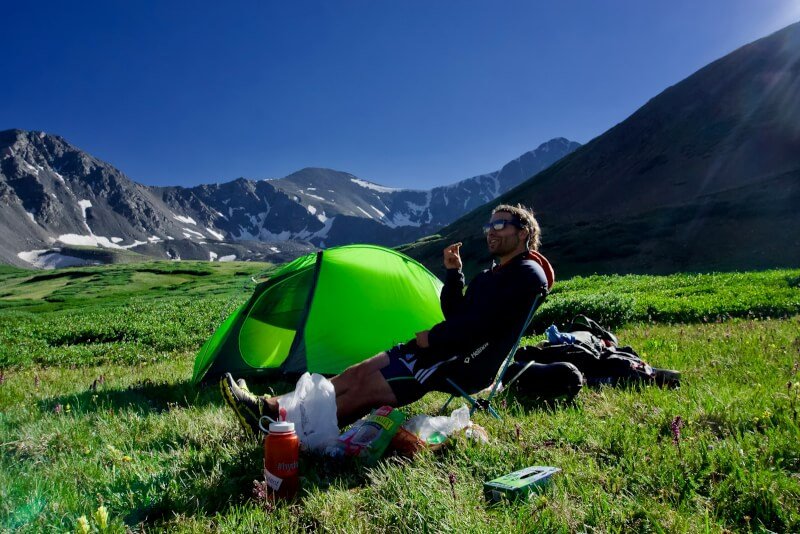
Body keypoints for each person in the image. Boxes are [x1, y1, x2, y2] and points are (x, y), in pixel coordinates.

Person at [221, 203, 553, 437]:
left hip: (459, 361)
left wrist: (433, 340)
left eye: (499, 225)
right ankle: (271, 409)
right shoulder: (496, 274)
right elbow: (458, 313)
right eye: (488, 226)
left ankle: (288, 432)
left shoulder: (526, 274)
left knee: (364, 390)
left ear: (523, 232)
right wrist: (454, 274)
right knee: (356, 372)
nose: (490, 233)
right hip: (443, 348)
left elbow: (481, 327)